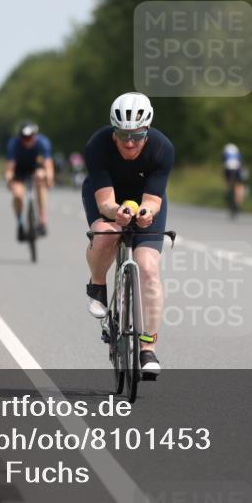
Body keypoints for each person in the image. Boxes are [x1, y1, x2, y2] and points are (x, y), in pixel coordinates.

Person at [82, 92, 173, 379]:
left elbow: (154, 200)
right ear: (114, 132)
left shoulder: (162, 148)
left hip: (145, 200)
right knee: (105, 234)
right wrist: (116, 212)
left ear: (147, 131)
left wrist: (146, 212)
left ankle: (148, 348)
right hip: (108, 198)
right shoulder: (97, 145)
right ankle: (97, 285)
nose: (130, 142)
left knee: (148, 267)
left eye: (137, 135)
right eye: (123, 135)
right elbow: (105, 203)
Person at [4, 122, 53, 240]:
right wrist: (9, 181)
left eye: (30, 138)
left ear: (35, 136)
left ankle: (42, 220)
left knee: (41, 180)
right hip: (19, 171)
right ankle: (20, 223)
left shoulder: (42, 143)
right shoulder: (13, 144)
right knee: (18, 195)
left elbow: (48, 164)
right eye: (24, 138)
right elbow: (9, 168)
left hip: (36, 169)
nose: (27, 141)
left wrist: (49, 179)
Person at [222, 143, 246, 213]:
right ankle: (238, 203)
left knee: (227, 181)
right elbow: (241, 163)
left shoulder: (226, 151)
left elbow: (223, 161)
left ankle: (227, 191)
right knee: (239, 186)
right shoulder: (238, 153)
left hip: (228, 170)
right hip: (237, 170)